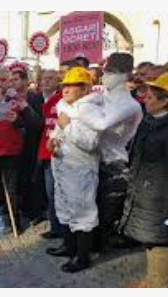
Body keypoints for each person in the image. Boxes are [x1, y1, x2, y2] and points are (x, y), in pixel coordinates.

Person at [59, 53, 144, 253]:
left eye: (110, 72)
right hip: (88, 159)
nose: (104, 75)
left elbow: (101, 124)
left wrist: (70, 109)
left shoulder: (130, 105)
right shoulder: (100, 97)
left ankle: (90, 254)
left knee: (103, 215)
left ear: (124, 75)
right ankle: (76, 248)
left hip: (112, 163)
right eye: (104, 70)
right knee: (80, 209)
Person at [120, 71, 168, 288]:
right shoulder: (151, 121)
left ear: (167, 102)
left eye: (151, 97)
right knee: (152, 239)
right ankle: (152, 280)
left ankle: (158, 284)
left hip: (162, 197)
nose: (145, 99)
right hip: (148, 192)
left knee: (160, 241)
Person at [46, 67, 101, 273]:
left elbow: (92, 142)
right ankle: (69, 247)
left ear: (85, 88)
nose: (66, 89)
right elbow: (58, 131)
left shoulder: (92, 110)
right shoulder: (63, 106)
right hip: (61, 167)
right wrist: (52, 142)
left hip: (80, 171)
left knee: (83, 213)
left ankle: (82, 256)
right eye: (65, 85)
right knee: (64, 209)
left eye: (72, 85)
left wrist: (68, 127)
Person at [0, 68, 40, 233]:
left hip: (12, 150)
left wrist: (17, 120)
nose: (0, 83)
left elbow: (32, 122)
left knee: (12, 189)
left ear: (9, 81)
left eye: (4, 80)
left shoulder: (16, 98)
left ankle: (14, 221)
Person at [37, 61, 81, 240]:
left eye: (51, 78)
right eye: (43, 78)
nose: (46, 82)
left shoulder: (64, 101)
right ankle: (56, 227)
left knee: (58, 192)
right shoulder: (44, 100)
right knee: (51, 192)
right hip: (46, 152)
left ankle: (63, 230)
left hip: (62, 153)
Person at [10, 69, 47, 225]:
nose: (13, 82)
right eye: (11, 80)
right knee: (18, 180)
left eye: (16, 79)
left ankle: (35, 212)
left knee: (32, 180)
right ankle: (19, 209)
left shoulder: (35, 97)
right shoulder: (8, 98)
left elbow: (38, 124)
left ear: (25, 81)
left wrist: (24, 110)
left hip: (32, 146)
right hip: (14, 146)